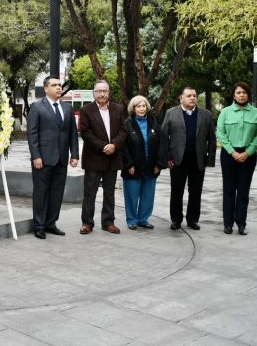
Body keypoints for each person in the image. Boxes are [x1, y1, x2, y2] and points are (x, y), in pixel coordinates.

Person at [27, 76, 79, 239]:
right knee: (41, 192)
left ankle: (51, 223)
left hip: (62, 159)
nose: (58, 87)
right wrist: (36, 156)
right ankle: (39, 225)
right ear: (45, 89)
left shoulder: (67, 108)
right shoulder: (37, 107)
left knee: (57, 192)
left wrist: (74, 155)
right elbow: (32, 134)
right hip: (42, 159)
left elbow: (72, 133)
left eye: (60, 85)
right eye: (54, 85)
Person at [161, 86, 216, 231]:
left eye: (194, 95)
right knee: (176, 191)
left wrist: (210, 160)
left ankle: (192, 219)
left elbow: (212, 138)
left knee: (196, 191)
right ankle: (176, 220)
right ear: (181, 98)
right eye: (189, 95)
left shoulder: (206, 115)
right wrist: (166, 158)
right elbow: (163, 137)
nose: (192, 98)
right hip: (177, 160)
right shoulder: (171, 113)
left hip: (198, 160)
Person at [78, 80, 127, 234]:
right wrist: (103, 146)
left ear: (109, 92)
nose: (102, 94)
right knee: (90, 193)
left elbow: (123, 131)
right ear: (94, 93)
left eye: (104, 91)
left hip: (113, 157)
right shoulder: (86, 110)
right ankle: (87, 223)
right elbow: (85, 133)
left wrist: (114, 145)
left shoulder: (118, 109)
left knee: (109, 192)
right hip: (93, 157)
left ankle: (108, 222)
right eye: (99, 91)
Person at [216, 82, 257, 235]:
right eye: (238, 92)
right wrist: (232, 152)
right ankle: (228, 223)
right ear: (233, 95)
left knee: (243, 191)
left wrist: (248, 152)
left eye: (244, 92)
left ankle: (241, 223)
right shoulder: (225, 112)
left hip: (248, 156)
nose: (241, 95)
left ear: (248, 95)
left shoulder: (256, 113)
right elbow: (221, 134)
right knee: (229, 190)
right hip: (229, 155)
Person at [120, 95, 167, 230]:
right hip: (133, 167)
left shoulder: (153, 122)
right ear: (133, 108)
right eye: (138, 106)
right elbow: (124, 147)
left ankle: (143, 219)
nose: (141, 108)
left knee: (148, 195)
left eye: (144, 106)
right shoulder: (127, 123)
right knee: (132, 195)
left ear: (147, 107)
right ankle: (132, 220)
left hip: (151, 166)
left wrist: (159, 164)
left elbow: (161, 144)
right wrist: (129, 164)